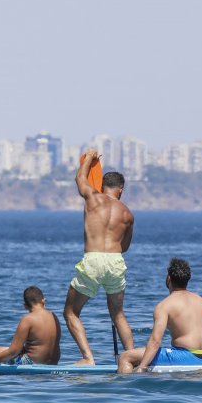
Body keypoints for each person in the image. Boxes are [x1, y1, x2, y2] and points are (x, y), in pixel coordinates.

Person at [63, 149, 135, 365]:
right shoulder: (127, 214)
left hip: (93, 259)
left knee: (71, 312)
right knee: (118, 314)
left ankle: (88, 357)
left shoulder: (93, 198)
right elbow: (124, 247)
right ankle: (132, 358)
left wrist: (88, 159)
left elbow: (80, 178)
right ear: (121, 190)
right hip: (115, 260)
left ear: (102, 186)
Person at [118, 258, 202, 373]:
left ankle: (128, 384)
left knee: (125, 357)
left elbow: (155, 341)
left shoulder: (165, 305)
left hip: (185, 357)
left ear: (169, 278)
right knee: (148, 358)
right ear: (187, 279)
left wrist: (142, 366)